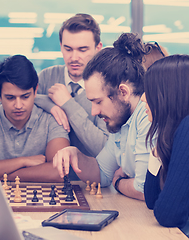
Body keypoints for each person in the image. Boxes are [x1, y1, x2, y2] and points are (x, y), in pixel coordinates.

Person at [53, 33, 151, 201]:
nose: (94, 111)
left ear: (123, 92)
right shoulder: (121, 121)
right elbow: (103, 174)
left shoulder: (146, 116)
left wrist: (118, 182)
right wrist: (76, 155)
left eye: (98, 101)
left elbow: (143, 189)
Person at [0, 55, 69, 182]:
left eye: (25, 96)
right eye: (10, 98)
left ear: (35, 91)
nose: (18, 105)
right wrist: (22, 161)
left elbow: (59, 172)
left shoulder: (52, 119)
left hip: (41, 201)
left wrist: (2, 175)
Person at [35, 13, 108, 161]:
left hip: (90, 181)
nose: (74, 58)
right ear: (61, 46)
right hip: (49, 177)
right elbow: (16, 104)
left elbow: (104, 149)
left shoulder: (107, 86)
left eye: (82, 50)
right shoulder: (46, 76)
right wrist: (49, 104)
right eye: (68, 49)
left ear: (98, 48)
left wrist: (68, 104)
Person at [142, 54, 189, 236]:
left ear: (169, 95)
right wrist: (156, 153)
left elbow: (167, 215)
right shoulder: (177, 132)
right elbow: (152, 201)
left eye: (150, 91)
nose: (143, 99)